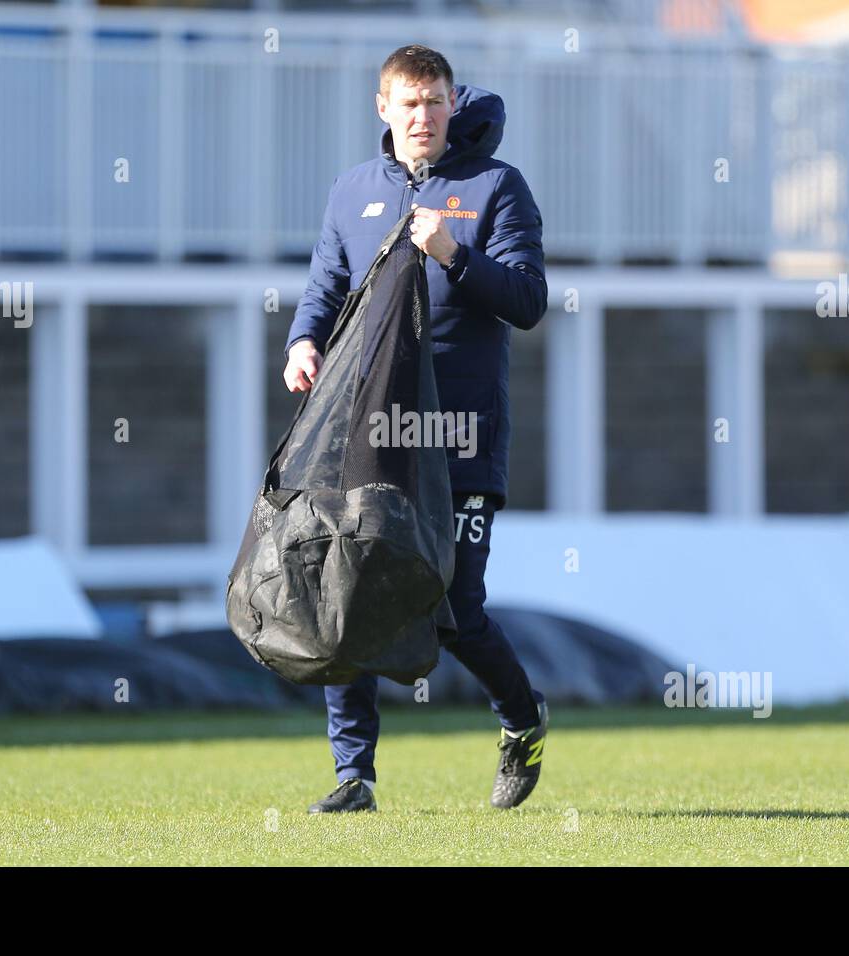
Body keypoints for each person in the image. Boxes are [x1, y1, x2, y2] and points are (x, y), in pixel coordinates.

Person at [283, 44, 548, 812]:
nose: (424, 117)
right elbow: (323, 291)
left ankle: (523, 722)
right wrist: (303, 342)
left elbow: (528, 301)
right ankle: (353, 777)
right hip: (372, 429)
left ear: (452, 102)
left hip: (461, 434)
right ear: (384, 109)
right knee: (349, 593)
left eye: (436, 102)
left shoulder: (496, 186)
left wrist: (451, 254)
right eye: (410, 104)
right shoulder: (352, 192)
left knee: (457, 609)